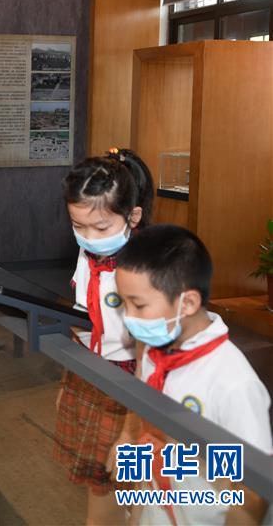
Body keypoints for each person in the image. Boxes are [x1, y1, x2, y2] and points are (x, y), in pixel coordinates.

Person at [114, 225, 271, 525]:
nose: (128, 318)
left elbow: (252, 494)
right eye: (124, 303)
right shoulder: (153, 352)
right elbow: (146, 426)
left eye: (139, 305)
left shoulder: (233, 383)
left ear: (187, 303)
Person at [52, 147, 154, 524]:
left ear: (133, 216)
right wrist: (70, 379)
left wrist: (129, 431)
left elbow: (148, 359)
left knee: (130, 493)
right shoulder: (88, 255)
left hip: (131, 389)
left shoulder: (143, 272)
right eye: (78, 227)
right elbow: (82, 320)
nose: (88, 237)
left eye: (100, 228)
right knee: (100, 487)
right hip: (90, 372)